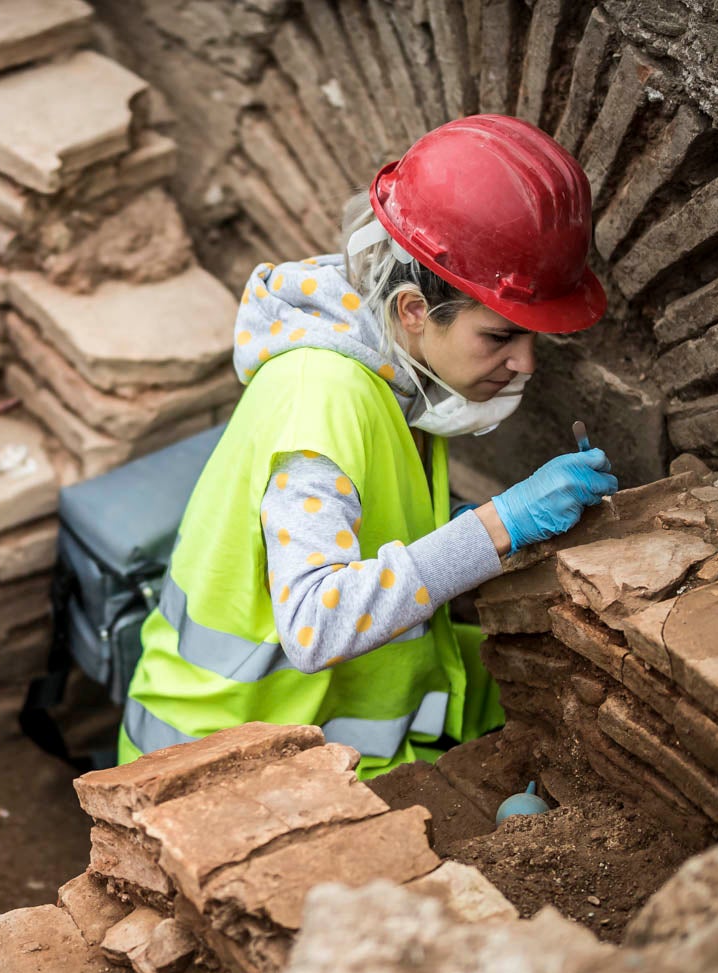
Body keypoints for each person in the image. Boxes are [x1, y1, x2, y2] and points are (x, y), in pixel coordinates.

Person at [122, 115, 618, 776]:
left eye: (532, 338)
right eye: (500, 337)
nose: (525, 363)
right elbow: (313, 623)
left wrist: (464, 527)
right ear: (414, 309)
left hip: (313, 724)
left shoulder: (396, 367)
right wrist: (501, 525)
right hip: (214, 767)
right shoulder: (322, 398)